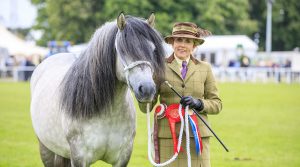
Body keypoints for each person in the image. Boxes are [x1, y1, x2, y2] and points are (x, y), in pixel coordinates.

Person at [139, 22, 222, 167]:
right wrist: (144, 91)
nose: (182, 45)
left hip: (197, 139)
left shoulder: (205, 68)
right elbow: (146, 106)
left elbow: (217, 104)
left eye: (187, 41)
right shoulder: (158, 66)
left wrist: (199, 103)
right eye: (178, 40)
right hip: (168, 138)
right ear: (172, 42)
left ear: (194, 45)